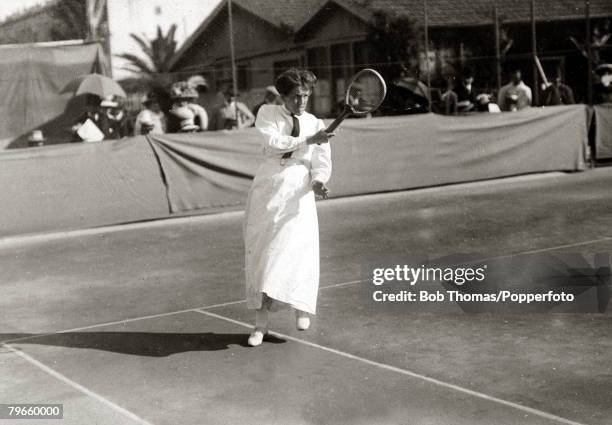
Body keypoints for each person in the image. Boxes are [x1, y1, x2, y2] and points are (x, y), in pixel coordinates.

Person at [243, 68, 335, 347]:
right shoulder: (267, 114)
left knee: (299, 250)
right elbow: (273, 143)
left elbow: (322, 161)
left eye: (306, 96)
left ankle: (301, 307)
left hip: (299, 191)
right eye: (296, 96)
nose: (302, 101)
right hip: (268, 189)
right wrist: (308, 140)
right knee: (263, 255)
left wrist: (318, 181)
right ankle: (260, 325)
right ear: (283, 96)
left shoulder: (315, 122)